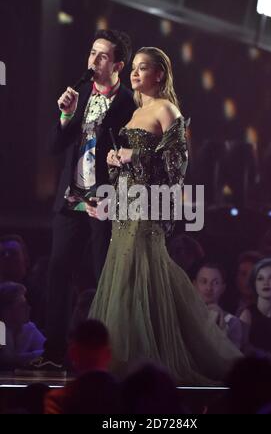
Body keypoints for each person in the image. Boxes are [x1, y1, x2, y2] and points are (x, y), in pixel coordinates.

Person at [88, 47, 241, 385]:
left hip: (146, 206)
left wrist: (130, 155)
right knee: (125, 273)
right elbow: (132, 163)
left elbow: (177, 163)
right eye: (135, 68)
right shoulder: (134, 112)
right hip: (125, 204)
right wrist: (115, 163)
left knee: (143, 268)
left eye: (144, 68)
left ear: (160, 74)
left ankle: (151, 361)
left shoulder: (167, 109)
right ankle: (127, 357)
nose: (135, 73)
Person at [32, 30, 136, 370]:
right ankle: (53, 354)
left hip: (105, 203)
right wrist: (64, 116)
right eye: (92, 52)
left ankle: (109, 357)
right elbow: (53, 148)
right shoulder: (78, 94)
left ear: (118, 64)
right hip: (71, 200)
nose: (94, 60)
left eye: (103, 56)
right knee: (57, 272)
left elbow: (135, 154)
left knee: (105, 278)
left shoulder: (128, 103)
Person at [193, 262, 244, 350]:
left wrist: (222, 327)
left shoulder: (232, 323)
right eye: (203, 281)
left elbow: (232, 359)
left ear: (222, 288)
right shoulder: (185, 315)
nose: (209, 288)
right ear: (194, 285)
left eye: (215, 283)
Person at [0, 282, 45, 369]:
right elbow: (4, 359)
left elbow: (47, 351)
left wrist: (19, 358)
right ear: (6, 311)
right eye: (22, 305)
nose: (28, 308)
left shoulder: (29, 328)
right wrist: (33, 356)